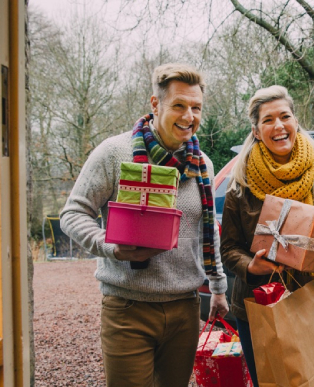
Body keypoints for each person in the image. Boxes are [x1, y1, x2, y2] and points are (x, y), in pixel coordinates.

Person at [60, 63, 229, 387]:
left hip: (184, 309)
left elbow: (206, 233)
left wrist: (218, 287)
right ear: (156, 104)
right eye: (179, 105)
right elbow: (72, 214)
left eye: (196, 108)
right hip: (128, 309)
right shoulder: (114, 153)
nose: (189, 116)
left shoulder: (202, 164)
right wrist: (110, 247)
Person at [219, 85, 314, 386]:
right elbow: (229, 249)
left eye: (284, 116)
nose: (278, 126)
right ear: (256, 129)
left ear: (295, 121)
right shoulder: (241, 181)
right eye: (268, 120)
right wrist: (251, 265)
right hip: (260, 305)